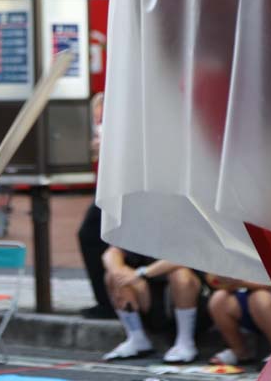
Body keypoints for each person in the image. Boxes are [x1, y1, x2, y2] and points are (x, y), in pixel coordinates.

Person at [102, 246, 204, 364]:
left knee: (181, 275)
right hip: (151, 296)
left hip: (193, 302)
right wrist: (118, 273)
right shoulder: (145, 229)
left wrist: (142, 272)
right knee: (113, 276)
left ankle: (185, 342)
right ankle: (137, 338)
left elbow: (187, 255)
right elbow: (112, 252)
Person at [77, 92, 114, 319]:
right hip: (108, 189)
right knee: (92, 236)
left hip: (118, 191)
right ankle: (108, 300)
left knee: (92, 236)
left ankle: (110, 301)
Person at [207, 278, 271, 366]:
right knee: (219, 298)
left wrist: (242, 282)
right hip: (246, 295)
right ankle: (239, 352)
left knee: (260, 298)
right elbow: (212, 278)